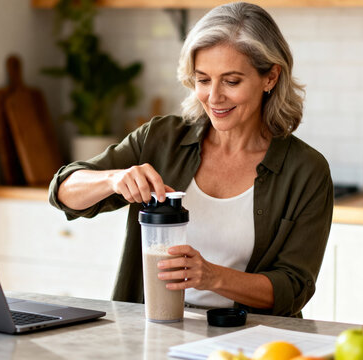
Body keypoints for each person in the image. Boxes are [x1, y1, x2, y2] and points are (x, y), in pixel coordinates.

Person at [49, 2, 333, 317]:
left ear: (270, 77)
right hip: (153, 330)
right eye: (203, 79)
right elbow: (63, 191)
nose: (214, 96)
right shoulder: (159, 139)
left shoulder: (306, 170)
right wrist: (113, 179)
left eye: (232, 81)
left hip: (253, 340)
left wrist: (211, 276)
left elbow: (293, 288)